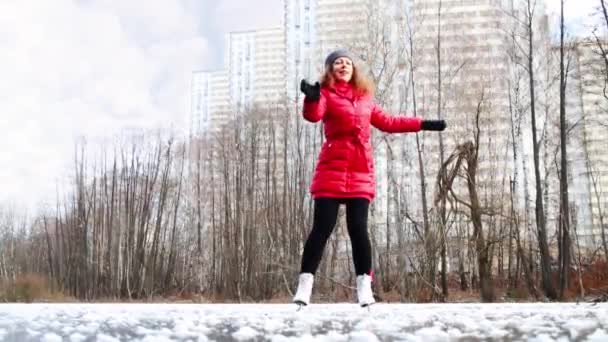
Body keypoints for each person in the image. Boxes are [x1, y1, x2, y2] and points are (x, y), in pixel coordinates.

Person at [293, 49, 446, 307]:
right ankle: (304, 289)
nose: (343, 66)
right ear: (330, 70)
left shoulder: (365, 98)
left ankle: (365, 289)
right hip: (331, 170)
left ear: (354, 70)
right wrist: (311, 98)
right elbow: (314, 115)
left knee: (359, 230)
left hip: (360, 172)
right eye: (337, 63)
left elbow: (389, 122)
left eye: (347, 63)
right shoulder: (326, 95)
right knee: (322, 228)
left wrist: (423, 124)